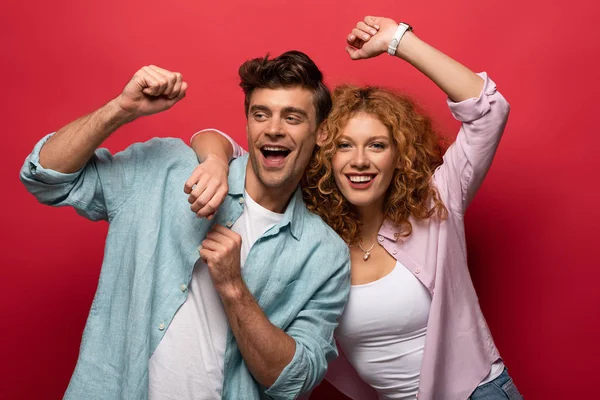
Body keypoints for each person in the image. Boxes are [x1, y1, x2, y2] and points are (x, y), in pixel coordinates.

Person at [188, 15, 522, 400]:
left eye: (377, 145)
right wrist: (213, 160)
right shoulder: (313, 234)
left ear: (400, 156)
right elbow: (236, 150)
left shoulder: (437, 205)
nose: (359, 160)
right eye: (345, 146)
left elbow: (489, 111)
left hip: (476, 393)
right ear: (325, 153)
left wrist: (398, 40)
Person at [19, 52, 351, 399]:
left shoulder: (325, 255)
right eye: (260, 114)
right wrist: (121, 108)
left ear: (322, 132)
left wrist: (234, 288)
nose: (273, 129)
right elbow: (46, 178)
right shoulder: (166, 170)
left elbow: (293, 382)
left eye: (293, 117)